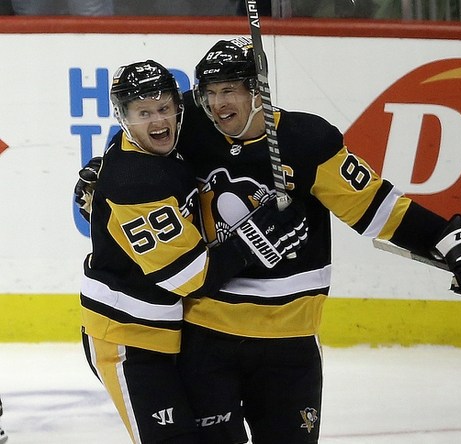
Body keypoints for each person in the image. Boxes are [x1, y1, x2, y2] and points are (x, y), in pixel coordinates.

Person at [75, 37, 461, 443]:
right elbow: (137, 140)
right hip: (207, 335)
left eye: (229, 91)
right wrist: (103, 172)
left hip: (289, 345)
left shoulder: (306, 142)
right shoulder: (188, 122)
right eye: (209, 93)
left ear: (257, 90)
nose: (217, 104)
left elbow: (379, 209)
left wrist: (451, 239)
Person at [79, 59, 307, 443]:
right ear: (122, 116)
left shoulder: (168, 149)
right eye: (144, 113)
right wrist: (255, 240)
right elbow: (190, 277)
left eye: (165, 108)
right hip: (127, 339)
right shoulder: (133, 182)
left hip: (175, 335)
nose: (158, 122)